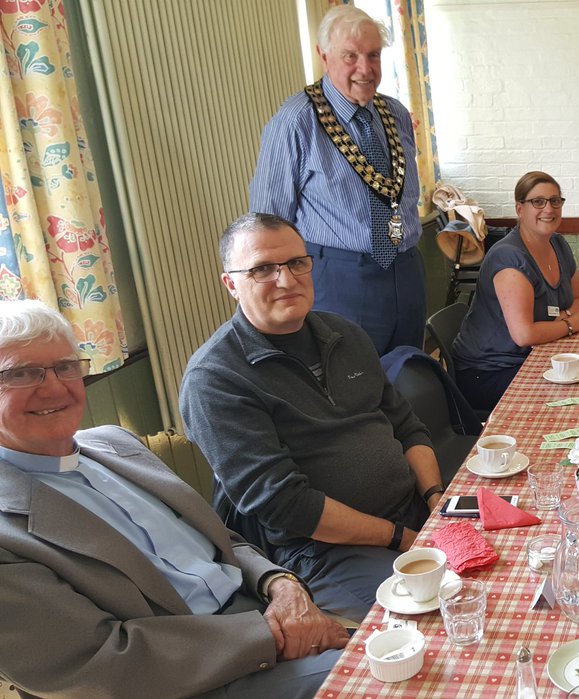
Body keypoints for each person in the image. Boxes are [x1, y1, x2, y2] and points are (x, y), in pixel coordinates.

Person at [0, 300, 346, 699]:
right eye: (23, 374)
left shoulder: (114, 443)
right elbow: (97, 664)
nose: (55, 387)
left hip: (265, 613)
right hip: (188, 679)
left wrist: (282, 585)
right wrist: (269, 634)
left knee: (412, 641)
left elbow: (221, 542)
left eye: (65, 366)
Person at [179, 213, 445, 621]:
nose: (286, 280)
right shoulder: (215, 379)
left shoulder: (344, 334)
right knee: (435, 611)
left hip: (413, 514)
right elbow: (289, 506)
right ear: (231, 284)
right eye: (263, 269)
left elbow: (407, 427)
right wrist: (403, 539)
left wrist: (436, 501)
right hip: (323, 552)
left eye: (297, 263)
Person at [250, 5, 425, 355]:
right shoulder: (296, 122)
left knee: (409, 374)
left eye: (373, 55)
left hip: (405, 268)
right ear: (323, 55)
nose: (365, 68)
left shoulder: (395, 114)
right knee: (350, 387)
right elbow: (268, 224)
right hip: (341, 276)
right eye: (350, 56)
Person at [452, 172, 579, 412]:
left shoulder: (558, 244)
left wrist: (563, 318)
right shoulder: (509, 257)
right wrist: (571, 325)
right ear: (519, 209)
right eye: (538, 201)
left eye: (555, 201)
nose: (548, 208)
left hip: (534, 357)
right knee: (576, 399)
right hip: (490, 372)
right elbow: (525, 335)